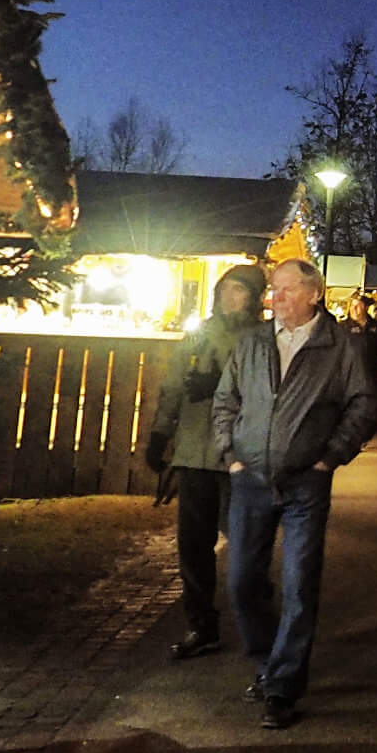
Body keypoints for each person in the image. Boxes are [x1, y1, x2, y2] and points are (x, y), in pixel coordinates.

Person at [212, 257, 377, 730]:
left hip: (306, 480)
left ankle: (283, 686)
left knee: (299, 584)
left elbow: (364, 404)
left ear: (314, 294)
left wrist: (331, 455)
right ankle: (268, 663)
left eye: (287, 289)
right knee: (243, 581)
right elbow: (226, 401)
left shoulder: (339, 347)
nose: (276, 297)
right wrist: (230, 454)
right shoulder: (252, 343)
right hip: (249, 478)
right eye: (274, 289)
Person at [144, 264, 265, 661]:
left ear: (253, 298)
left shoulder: (261, 340)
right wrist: (161, 434)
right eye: (227, 290)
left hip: (239, 456)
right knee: (193, 546)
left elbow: (265, 392)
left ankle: (257, 621)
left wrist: (220, 387)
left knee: (247, 544)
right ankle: (201, 624)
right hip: (195, 451)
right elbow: (175, 385)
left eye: (241, 292)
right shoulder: (197, 335)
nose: (232, 299)